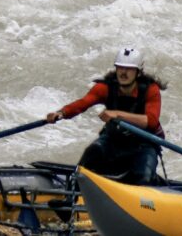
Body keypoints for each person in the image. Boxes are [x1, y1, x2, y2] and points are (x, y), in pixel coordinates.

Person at [46, 46, 166, 185]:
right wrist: (61, 113)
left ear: (138, 73)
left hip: (144, 143)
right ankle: (73, 190)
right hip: (114, 139)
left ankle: (150, 185)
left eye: (129, 69)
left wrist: (117, 115)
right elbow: (83, 103)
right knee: (92, 152)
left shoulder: (151, 90)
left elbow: (150, 121)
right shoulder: (106, 87)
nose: (123, 72)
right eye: (120, 68)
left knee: (143, 176)